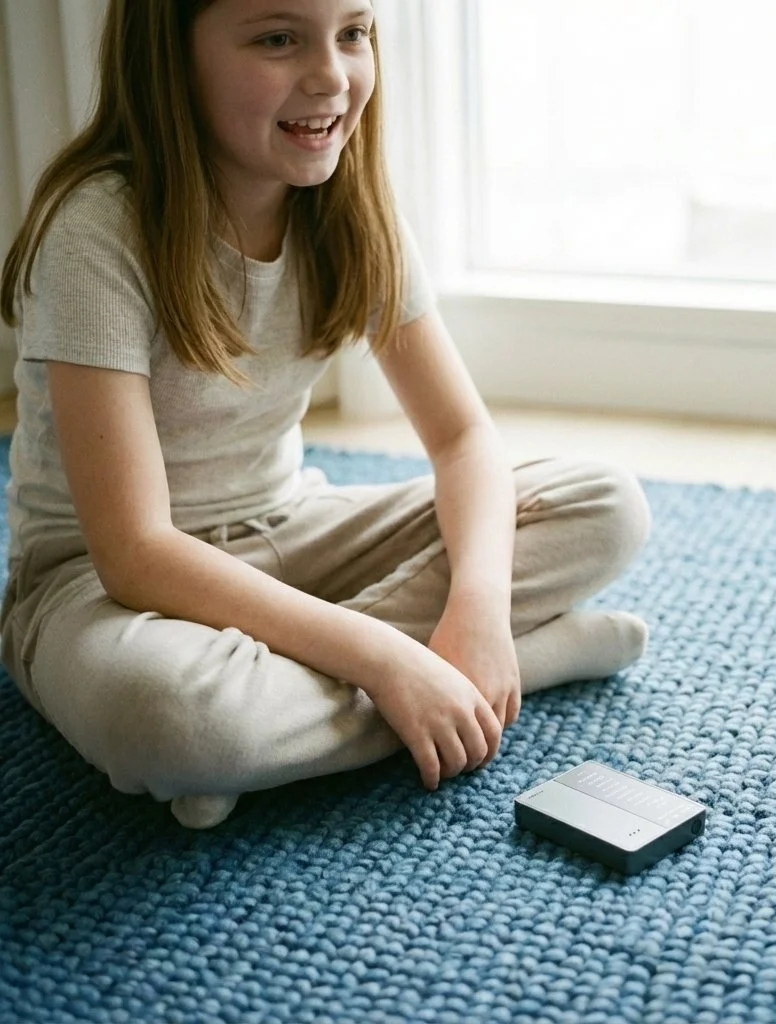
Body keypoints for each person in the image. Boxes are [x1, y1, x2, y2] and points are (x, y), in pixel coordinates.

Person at [0, 0, 650, 829]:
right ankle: (513, 665)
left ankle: (319, 719)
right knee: (169, 715)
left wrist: (479, 612)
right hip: (101, 585)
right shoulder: (97, 229)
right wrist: (381, 657)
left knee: (604, 502)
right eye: (279, 39)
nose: (332, 77)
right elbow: (135, 555)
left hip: (286, 529)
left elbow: (462, 439)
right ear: (172, 56)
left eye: (354, 34)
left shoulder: (352, 207)